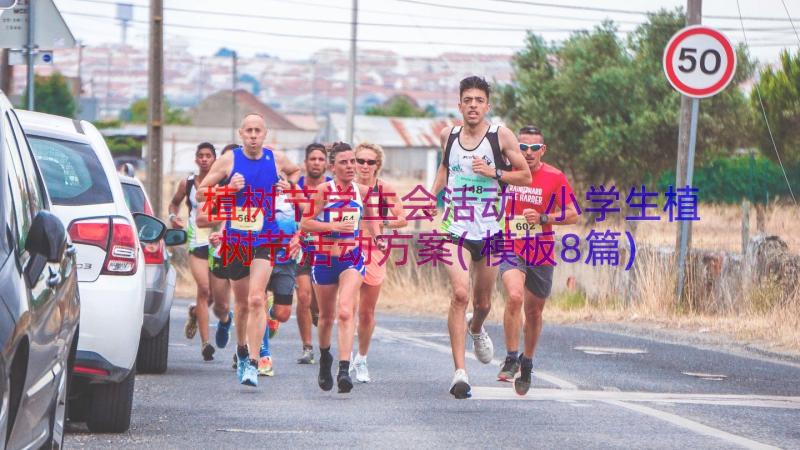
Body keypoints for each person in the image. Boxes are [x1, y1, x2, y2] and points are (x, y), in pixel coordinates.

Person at [426, 76, 531, 399]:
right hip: (454, 229)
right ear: (459, 104)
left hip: (490, 231)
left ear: (487, 105)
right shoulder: (449, 135)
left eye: (479, 100)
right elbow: (445, 169)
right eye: (467, 100)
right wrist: (432, 195)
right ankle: (460, 372)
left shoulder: (501, 136)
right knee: (460, 294)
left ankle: (476, 326)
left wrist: (494, 173)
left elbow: (525, 174)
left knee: (483, 302)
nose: (473, 105)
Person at [197, 113, 300, 387]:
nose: (253, 135)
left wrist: (288, 186)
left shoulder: (275, 158)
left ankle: (254, 362)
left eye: (258, 131)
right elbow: (201, 192)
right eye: (249, 131)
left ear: (265, 134)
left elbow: (296, 173)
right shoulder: (229, 160)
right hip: (236, 241)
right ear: (241, 134)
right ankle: (241, 350)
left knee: (257, 300)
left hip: (265, 238)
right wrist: (228, 189)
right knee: (241, 305)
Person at [498, 126, 579, 396]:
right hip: (511, 245)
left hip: (541, 250)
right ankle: (511, 357)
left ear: (542, 150)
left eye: (534, 148)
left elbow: (573, 215)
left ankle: (527, 362)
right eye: (522, 147)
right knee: (514, 296)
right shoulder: (505, 175)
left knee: (534, 313)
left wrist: (544, 218)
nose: (528, 153)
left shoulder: (554, 177)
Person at [300, 142, 381, 394]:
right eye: (344, 162)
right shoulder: (324, 191)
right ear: (332, 166)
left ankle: (344, 369)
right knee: (325, 317)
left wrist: (377, 237)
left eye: (353, 162)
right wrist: (333, 228)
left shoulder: (364, 192)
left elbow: (371, 218)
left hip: (352, 259)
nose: (350, 167)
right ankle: (326, 358)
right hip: (324, 260)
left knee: (346, 311)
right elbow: (306, 223)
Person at [352, 142, 407, 382]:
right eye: (360, 161)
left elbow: (402, 219)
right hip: (347, 249)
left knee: (366, 312)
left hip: (375, 250)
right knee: (346, 309)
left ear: (378, 165)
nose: (365, 166)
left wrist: (379, 223)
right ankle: (344, 360)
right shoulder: (345, 188)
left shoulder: (386, 189)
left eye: (370, 162)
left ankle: (361, 358)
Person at [169, 142, 217, 361]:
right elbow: (174, 204)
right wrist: (173, 218)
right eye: (201, 156)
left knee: (215, 296)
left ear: (215, 159)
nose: (205, 159)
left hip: (218, 241)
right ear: (196, 160)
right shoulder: (188, 183)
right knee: (204, 290)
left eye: (209, 156)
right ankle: (206, 344)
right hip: (196, 240)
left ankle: (195, 313)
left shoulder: (223, 183)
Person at [294, 143, 331, 365]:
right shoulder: (296, 186)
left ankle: (317, 320)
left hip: (326, 250)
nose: (316, 163)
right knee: (303, 297)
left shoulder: (333, 187)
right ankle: (307, 347)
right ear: (306, 162)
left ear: (326, 164)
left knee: (318, 306)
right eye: (313, 159)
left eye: (320, 159)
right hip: (302, 249)